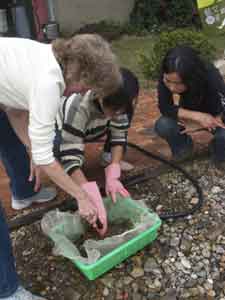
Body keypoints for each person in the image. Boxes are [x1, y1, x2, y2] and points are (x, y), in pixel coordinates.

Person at [0, 34, 121, 300]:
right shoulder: (49, 82)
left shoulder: (51, 54)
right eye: (87, 88)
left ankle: (24, 194)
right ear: (82, 77)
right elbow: (47, 157)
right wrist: (82, 196)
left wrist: (32, 147)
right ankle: (7, 291)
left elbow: (14, 108)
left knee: (29, 143)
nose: (82, 93)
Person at [57, 67, 139, 235]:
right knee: (58, 147)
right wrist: (86, 191)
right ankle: (63, 175)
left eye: (121, 109)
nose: (117, 113)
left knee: (117, 125)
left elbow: (118, 136)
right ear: (100, 97)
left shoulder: (121, 105)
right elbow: (70, 155)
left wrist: (114, 168)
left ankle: (106, 159)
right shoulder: (78, 106)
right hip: (65, 128)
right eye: (113, 108)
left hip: (97, 128)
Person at [154, 46, 225, 165]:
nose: (172, 88)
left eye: (178, 83)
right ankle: (183, 150)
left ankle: (218, 153)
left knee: (223, 137)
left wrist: (216, 119)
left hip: (217, 114)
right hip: (190, 113)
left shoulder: (210, 75)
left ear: (192, 78)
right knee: (163, 125)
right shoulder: (167, 73)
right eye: (168, 81)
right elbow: (165, 107)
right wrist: (197, 117)